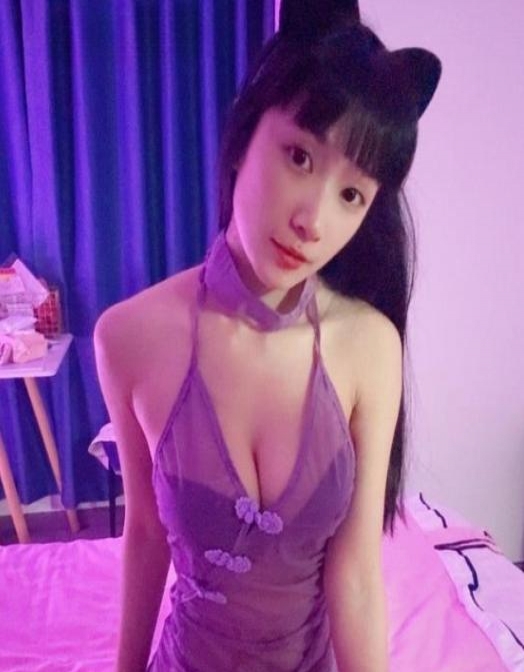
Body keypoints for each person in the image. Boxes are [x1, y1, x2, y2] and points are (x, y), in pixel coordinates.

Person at [94, 1, 441, 670]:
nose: (314, 220)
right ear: (244, 132)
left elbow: (356, 573)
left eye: (351, 195)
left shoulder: (370, 346)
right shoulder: (128, 337)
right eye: (300, 156)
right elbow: (145, 535)